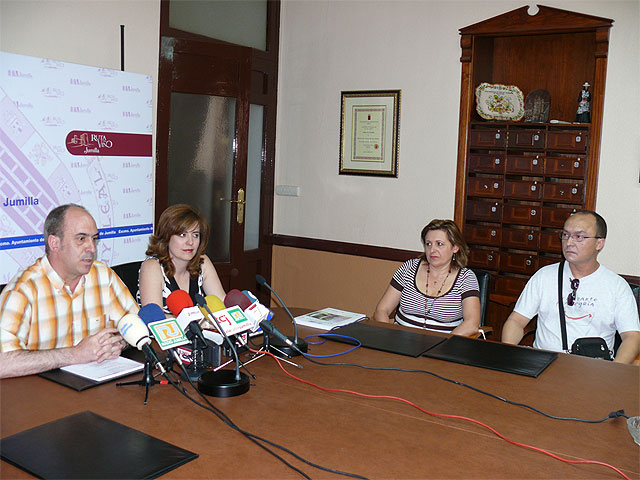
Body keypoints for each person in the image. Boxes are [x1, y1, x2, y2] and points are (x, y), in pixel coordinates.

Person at [0, 204, 138, 378]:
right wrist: (74, 354)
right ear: (54, 243)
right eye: (81, 239)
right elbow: (3, 363)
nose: (92, 248)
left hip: (99, 389)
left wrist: (119, 343)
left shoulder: (103, 276)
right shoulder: (23, 291)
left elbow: (136, 325)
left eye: (94, 239)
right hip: (41, 396)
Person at [502, 211, 640, 363]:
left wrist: (614, 371)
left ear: (599, 243)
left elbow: (632, 337)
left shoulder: (616, 286)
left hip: (594, 370)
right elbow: (516, 321)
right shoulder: (544, 276)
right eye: (565, 235)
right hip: (544, 364)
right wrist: (508, 354)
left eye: (579, 237)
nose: (569, 243)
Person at [374, 219, 481, 335]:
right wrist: (387, 335)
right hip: (399, 343)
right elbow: (382, 310)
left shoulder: (466, 278)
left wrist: (444, 345)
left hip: (443, 346)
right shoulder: (409, 267)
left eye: (439, 244)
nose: (432, 250)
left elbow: (472, 323)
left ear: (455, 247)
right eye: (428, 244)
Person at [138, 204, 225, 312]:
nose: (190, 242)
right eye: (182, 235)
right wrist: (201, 323)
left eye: (195, 235)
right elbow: (155, 319)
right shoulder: (152, 267)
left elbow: (222, 303)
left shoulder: (202, 262)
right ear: (167, 236)